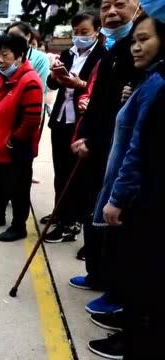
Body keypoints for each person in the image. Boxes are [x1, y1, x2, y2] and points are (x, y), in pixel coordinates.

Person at [89, 15, 165, 359]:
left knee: (140, 273)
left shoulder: (159, 84)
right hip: (139, 194)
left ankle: (133, 340)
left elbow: (139, 148)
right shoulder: (149, 81)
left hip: (142, 199)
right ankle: (130, 325)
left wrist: (117, 197)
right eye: (134, 39)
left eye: (144, 39)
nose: (136, 46)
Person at [69, 0, 141, 327]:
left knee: (115, 225)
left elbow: (123, 113)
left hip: (120, 154)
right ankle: (96, 274)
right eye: (105, 6)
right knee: (91, 213)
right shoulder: (111, 50)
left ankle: (115, 291)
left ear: (138, 7)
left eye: (120, 5)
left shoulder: (137, 51)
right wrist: (84, 136)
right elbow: (97, 103)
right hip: (97, 150)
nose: (111, 12)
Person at [43, 12, 107, 243]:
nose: (79, 37)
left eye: (84, 32)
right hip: (61, 119)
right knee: (60, 172)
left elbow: (99, 92)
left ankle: (70, 223)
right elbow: (52, 84)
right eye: (76, 32)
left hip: (80, 123)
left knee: (76, 176)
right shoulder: (68, 53)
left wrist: (80, 84)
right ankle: (60, 214)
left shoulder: (103, 56)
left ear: (97, 31)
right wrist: (55, 74)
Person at [0, 34, 43, 242]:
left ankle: (18, 226)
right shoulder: (2, 76)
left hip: (15, 148)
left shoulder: (30, 81)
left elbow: (32, 119)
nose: (0, 60)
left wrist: (14, 139)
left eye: (5, 55)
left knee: (18, 189)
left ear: (20, 55)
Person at [2, 22, 51, 93]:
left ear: (28, 36)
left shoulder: (41, 58)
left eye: (15, 35)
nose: (12, 39)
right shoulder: (4, 56)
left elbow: (40, 87)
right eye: (9, 37)